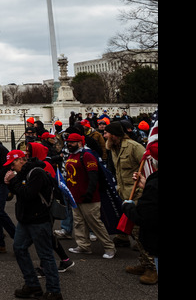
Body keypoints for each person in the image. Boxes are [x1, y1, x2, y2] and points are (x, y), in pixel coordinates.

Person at [4, 150, 63, 300]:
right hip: (26, 219)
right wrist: (10, 184)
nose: (11, 168)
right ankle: (32, 285)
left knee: (45, 255)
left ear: (22, 160)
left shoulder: (36, 173)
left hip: (39, 219)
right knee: (19, 248)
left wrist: (13, 182)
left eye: (13, 164)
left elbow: (27, 194)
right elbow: (20, 193)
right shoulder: (24, 173)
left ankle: (54, 291)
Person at [104, 122, 156, 281]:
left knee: (140, 232)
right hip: (126, 196)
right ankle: (144, 262)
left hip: (139, 196)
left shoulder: (133, 146)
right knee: (135, 232)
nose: (104, 135)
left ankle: (152, 268)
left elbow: (151, 164)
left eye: (106, 133)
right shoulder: (113, 148)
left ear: (114, 135)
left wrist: (146, 185)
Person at [64, 133, 116, 259]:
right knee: (78, 223)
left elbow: (94, 176)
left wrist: (90, 192)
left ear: (80, 143)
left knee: (95, 224)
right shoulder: (72, 155)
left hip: (88, 197)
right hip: (75, 197)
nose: (69, 144)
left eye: (72, 142)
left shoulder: (87, 155)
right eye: (68, 142)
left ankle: (109, 247)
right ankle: (83, 246)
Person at [121, 142, 158, 284]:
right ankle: (146, 264)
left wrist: (128, 207)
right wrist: (146, 183)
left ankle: (152, 268)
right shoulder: (152, 183)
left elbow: (144, 217)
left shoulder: (154, 185)